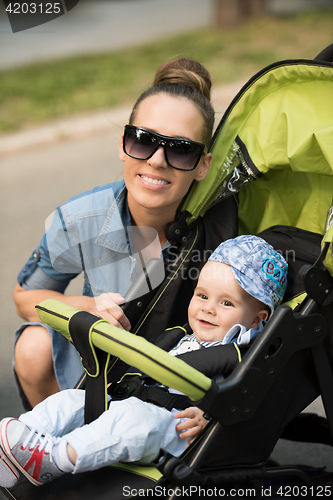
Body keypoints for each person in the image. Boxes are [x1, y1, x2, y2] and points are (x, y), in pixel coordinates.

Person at [13, 57, 233, 409]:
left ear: (203, 165)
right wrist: (85, 308)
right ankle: (59, 454)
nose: (158, 160)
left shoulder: (227, 230)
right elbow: (26, 297)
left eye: (180, 149)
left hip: (182, 388)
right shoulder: (81, 217)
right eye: (144, 140)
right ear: (123, 144)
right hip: (99, 374)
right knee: (33, 346)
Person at [0, 235, 288, 488]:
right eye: (202, 295)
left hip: (174, 428)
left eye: (226, 303)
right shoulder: (179, 336)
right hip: (134, 401)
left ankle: (54, 459)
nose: (208, 309)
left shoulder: (240, 352)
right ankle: (19, 442)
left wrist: (209, 416)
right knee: (71, 400)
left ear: (256, 319)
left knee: (132, 421)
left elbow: (241, 398)